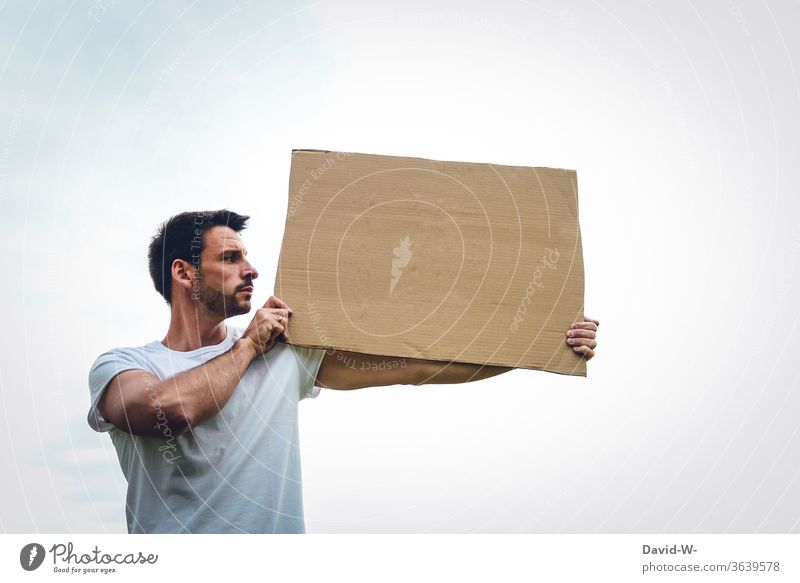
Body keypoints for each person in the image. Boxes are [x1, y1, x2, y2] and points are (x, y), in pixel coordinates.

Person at [87, 209, 599, 533]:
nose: (253, 270)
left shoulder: (288, 356)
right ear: (184, 272)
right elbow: (165, 412)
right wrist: (248, 347)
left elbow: (417, 364)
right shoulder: (126, 365)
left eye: (248, 256)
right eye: (230, 257)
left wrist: (540, 342)